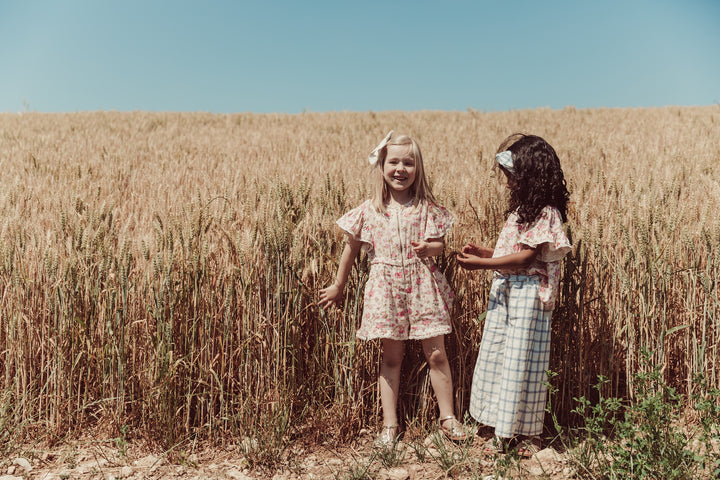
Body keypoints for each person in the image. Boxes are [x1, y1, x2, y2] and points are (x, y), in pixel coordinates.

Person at [319, 131, 467, 447]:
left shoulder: (427, 207)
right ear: (382, 166)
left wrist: (433, 247)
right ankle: (390, 425)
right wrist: (338, 284)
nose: (401, 169)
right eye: (394, 162)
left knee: (437, 354)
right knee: (391, 357)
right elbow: (351, 248)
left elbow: (440, 242)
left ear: (418, 169)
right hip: (385, 289)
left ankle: (448, 419)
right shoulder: (369, 210)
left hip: (421, 285)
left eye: (408, 163)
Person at [457, 133, 571, 458]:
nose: (508, 183)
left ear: (531, 175)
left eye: (513, 176)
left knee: (523, 361)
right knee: (500, 357)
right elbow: (513, 252)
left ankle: (526, 434)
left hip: (527, 296)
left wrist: (482, 264)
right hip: (508, 292)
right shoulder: (523, 210)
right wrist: (484, 252)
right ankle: (499, 425)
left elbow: (525, 259)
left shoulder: (546, 213)